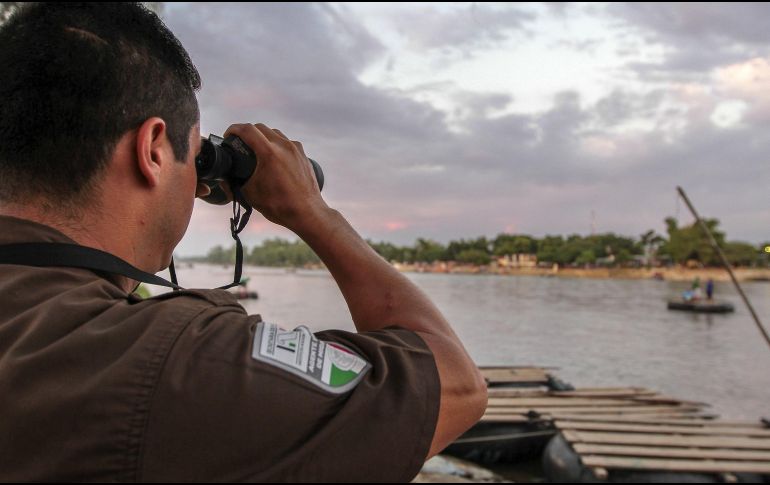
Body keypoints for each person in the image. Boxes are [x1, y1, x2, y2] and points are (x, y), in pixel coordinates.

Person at [0, 3, 487, 482]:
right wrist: (310, 211)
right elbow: (457, 386)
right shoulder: (175, 362)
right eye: (192, 157)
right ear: (151, 150)